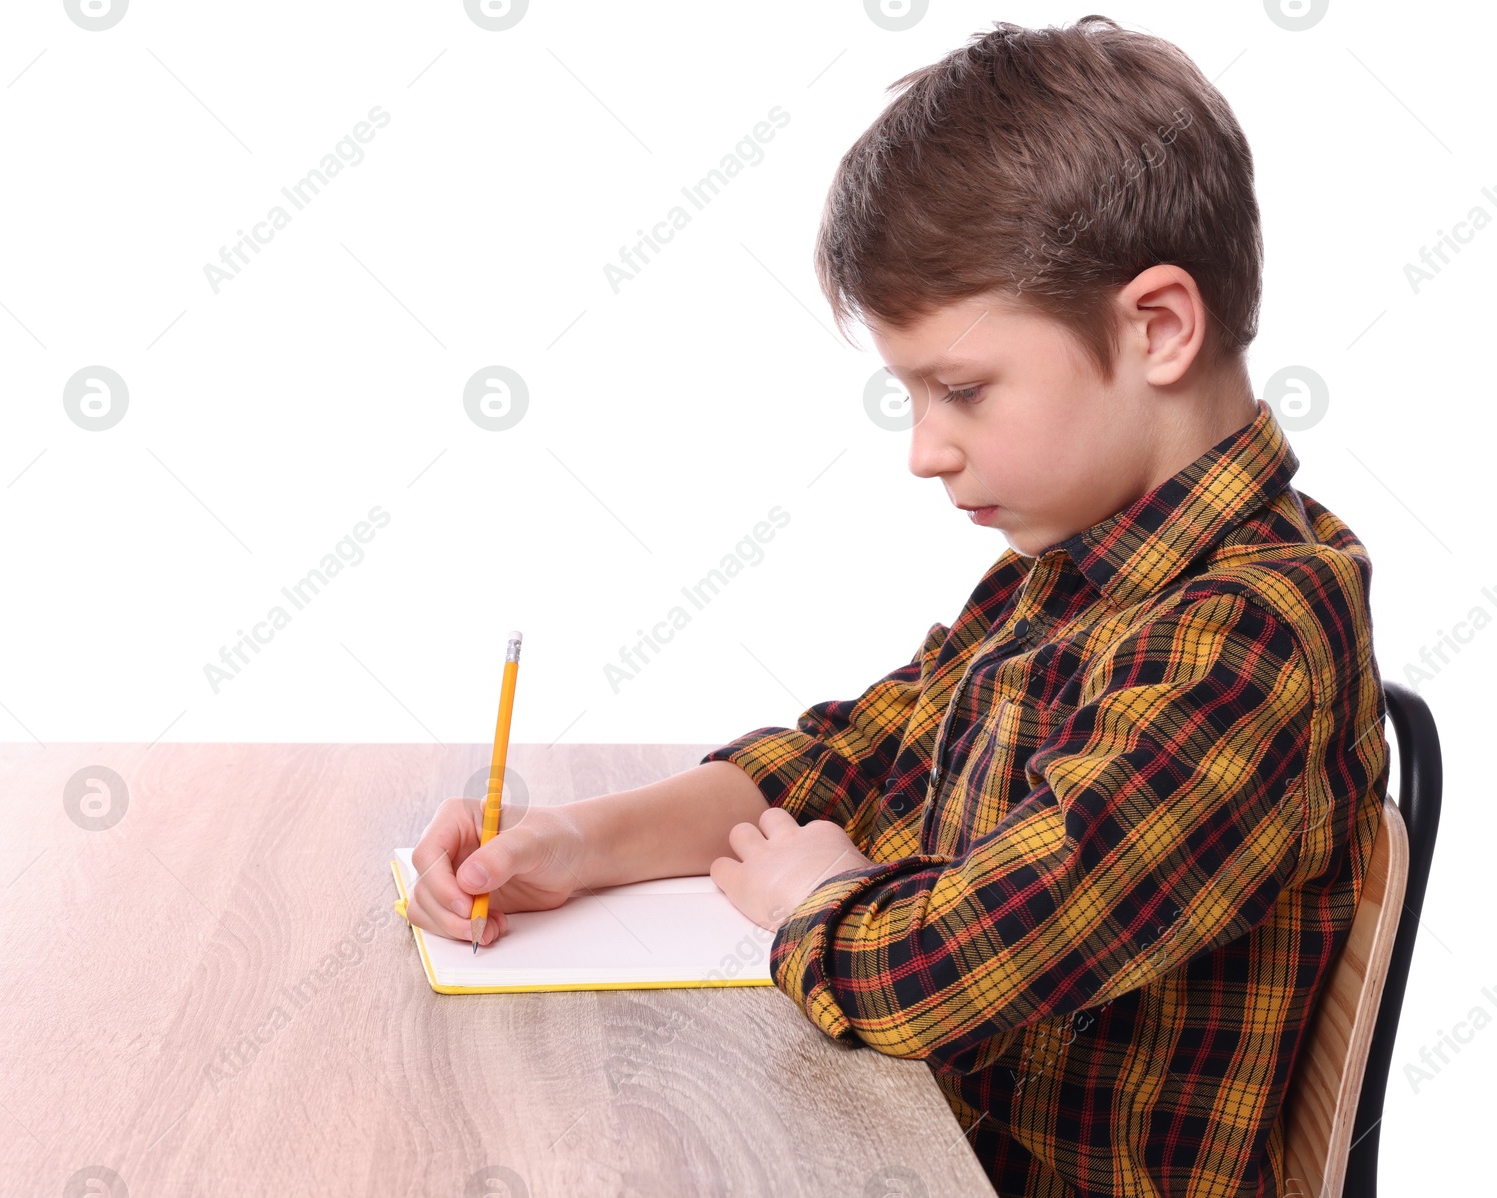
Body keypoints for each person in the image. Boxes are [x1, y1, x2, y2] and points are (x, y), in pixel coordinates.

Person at [406, 16, 1387, 1196]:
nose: (926, 451)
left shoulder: (1255, 636)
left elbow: (953, 960)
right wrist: (576, 846)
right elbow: (853, 760)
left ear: (1156, 327)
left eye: (961, 391)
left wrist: (817, 901)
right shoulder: (1070, 572)